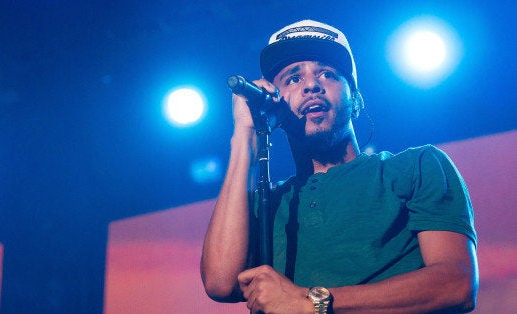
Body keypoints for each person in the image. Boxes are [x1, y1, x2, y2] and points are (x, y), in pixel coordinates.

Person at [200, 19, 478, 313]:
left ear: (355, 99)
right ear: (276, 108)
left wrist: (312, 302)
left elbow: (455, 284)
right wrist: (245, 136)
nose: (311, 85)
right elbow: (221, 283)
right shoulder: (263, 204)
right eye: (292, 78)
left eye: (328, 74)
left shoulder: (416, 166)